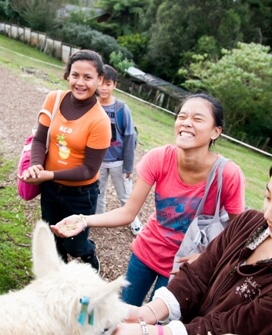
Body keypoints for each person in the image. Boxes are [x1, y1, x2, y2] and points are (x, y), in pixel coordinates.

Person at [113, 149, 272, 335]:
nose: (269, 213)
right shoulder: (249, 222)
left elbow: (227, 329)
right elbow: (198, 274)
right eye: (268, 197)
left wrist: (147, 330)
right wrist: (147, 313)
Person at [52, 93, 246, 306]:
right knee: (124, 311)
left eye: (197, 119)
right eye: (182, 117)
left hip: (184, 266)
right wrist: (84, 220)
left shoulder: (228, 174)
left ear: (215, 131)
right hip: (145, 253)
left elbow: (239, 232)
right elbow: (128, 213)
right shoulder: (159, 158)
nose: (186, 123)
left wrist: (204, 259)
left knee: (153, 323)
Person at [18, 49, 111, 272]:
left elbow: (89, 169)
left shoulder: (100, 121)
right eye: (75, 75)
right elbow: (40, 139)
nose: (80, 82)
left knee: (75, 244)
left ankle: (89, 255)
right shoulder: (54, 98)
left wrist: (49, 174)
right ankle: (58, 278)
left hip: (80, 195)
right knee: (52, 237)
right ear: (68, 75)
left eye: (88, 77)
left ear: (99, 80)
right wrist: (36, 165)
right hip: (50, 189)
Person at [96, 64, 143, 236]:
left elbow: (130, 136)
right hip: (99, 161)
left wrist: (128, 166)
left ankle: (135, 223)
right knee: (98, 193)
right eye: (101, 83)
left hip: (118, 161)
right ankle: (98, 219)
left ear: (114, 85)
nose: (103, 88)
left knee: (125, 195)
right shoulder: (93, 106)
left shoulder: (121, 108)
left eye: (108, 84)